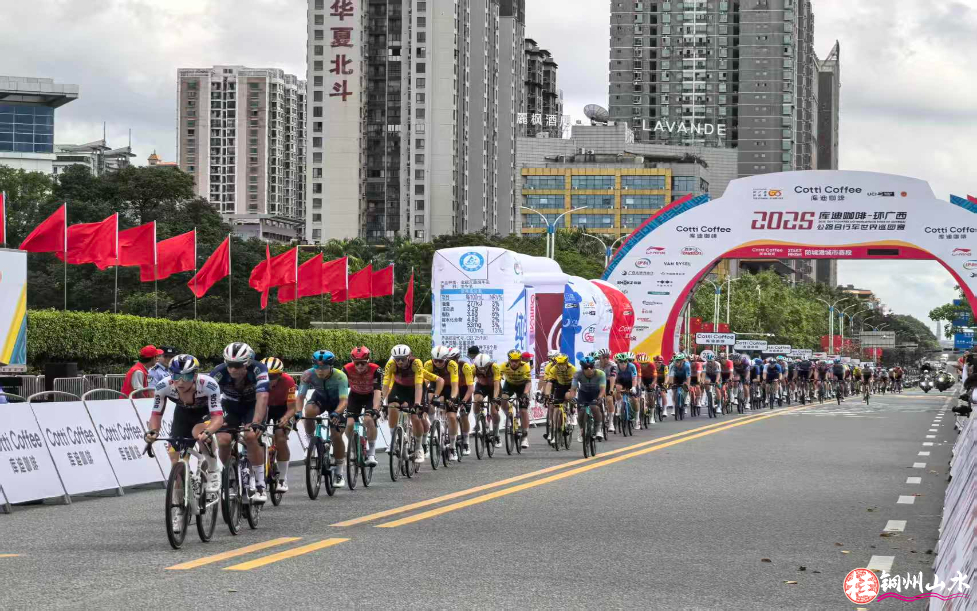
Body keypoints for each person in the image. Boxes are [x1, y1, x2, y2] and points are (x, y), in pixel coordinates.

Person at [144, 355, 224, 532]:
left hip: (205, 415)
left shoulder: (209, 385)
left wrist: (209, 432)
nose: (180, 381)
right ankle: (179, 509)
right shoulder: (163, 386)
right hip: (183, 416)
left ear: (194, 376)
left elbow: (218, 418)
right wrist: (153, 432)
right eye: (176, 376)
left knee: (199, 433)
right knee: (175, 459)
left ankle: (213, 469)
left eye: (186, 376)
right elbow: (156, 415)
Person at [211, 342, 271, 502]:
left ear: (247, 363)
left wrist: (256, 422)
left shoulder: (259, 369)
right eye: (229, 365)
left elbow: (263, 397)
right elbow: (208, 398)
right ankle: (228, 476)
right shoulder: (218, 372)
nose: (232, 369)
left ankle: (260, 484)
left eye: (237, 366)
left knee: (250, 436)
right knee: (223, 440)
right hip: (230, 406)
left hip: (253, 406)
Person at [298, 350, 350, 487]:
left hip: (337, 403)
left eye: (324, 367)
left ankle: (339, 471)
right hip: (319, 399)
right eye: (317, 367)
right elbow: (301, 397)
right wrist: (298, 411)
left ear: (331, 366)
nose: (320, 371)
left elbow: (344, 401)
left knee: (336, 436)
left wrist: (337, 413)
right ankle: (311, 442)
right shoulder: (308, 374)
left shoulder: (340, 376)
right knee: (308, 411)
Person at [383, 344, 442, 463]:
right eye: (397, 359)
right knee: (392, 406)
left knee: (415, 417)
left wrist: (417, 404)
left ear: (409, 356)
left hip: (415, 389)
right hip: (399, 388)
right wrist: (381, 401)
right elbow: (385, 384)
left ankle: (419, 448)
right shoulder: (391, 364)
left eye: (402, 359)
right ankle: (393, 440)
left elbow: (419, 386)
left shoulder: (416, 363)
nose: (400, 362)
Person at [259, 357, 297, 492]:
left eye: (273, 376)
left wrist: (286, 418)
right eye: (266, 376)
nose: (269, 380)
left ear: (280, 375)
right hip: (264, 407)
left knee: (280, 436)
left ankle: (282, 478)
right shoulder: (255, 380)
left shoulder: (288, 381)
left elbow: (292, 408)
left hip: (282, 409)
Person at [342, 347, 382, 467]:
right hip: (355, 396)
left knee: (368, 420)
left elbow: (377, 391)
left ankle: (371, 453)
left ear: (368, 361)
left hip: (371, 396)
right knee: (349, 423)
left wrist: (375, 409)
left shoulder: (376, 369)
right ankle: (353, 446)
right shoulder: (346, 369)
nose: (359, 366)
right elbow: (341, 390)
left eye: (363, 363)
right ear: (352, 362)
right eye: (356, 363)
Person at [424, 346, 461, 461]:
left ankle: (453, 447)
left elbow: (455, 385)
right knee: (429, 400)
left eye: (440, 361)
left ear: (446, 359)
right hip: (436, 386)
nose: (437, 363)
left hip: (450, 388)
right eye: (435, 361)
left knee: (452, 417)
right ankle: (433, 423)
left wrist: (453, 398)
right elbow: (425, 382)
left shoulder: (452, 365)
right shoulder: (428, 364)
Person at [500, 349, 534, 449]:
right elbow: (497, 380)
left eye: (516, 361)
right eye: (512, 361)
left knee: (523, 410)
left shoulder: (525, 366)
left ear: (520, 360)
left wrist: (525, 393)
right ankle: (509, 416)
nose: (514, 363)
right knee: (503, 399)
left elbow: (528, 382)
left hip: (522, 386)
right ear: (509, 360)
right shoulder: (503, 366)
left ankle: (525, 436)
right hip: (510, 385)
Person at [570, 356, 606, 438]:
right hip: (583, 393)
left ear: (594, 367)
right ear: (582, 368)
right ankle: (582, 430)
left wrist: (599, 398)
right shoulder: (577, 374)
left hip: (596, 393)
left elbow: (603, 389)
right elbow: (573, 388)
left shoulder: (600, 373)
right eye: (586, 368)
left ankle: (598, 429)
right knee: (581, 412)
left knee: (595, 408)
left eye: (591, 367)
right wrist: (573, 398)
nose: (589, 369)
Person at [471, 353, 502, 447]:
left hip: (494, 387)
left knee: (494, 412)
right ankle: (478, 421)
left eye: (484, 368)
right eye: (480, 368)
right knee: (476, 400)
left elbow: (496, 384)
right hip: (481, 386)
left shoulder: (494, 367)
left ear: (489, 364)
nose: (482, 370)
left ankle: (496, 434)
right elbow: (469, 383)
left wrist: (495, 399)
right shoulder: (473, 368)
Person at [543, 353, 576, 440]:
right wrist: (547, 395)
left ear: (566, 363)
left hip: (570, 386)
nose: (561, 366)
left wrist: (572, 392)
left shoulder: (572, 369)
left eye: (563, 364)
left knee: (568, 397)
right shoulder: (553, 369)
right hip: (560, 386)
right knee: (556, 407)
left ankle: (572, 412)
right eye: (559, 364)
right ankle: (555, 429)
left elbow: (575, 384)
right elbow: (549, 383)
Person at [450, 347, 475, 455]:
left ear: (457, 358)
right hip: (452, 389)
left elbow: (470, 388)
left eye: (452, 359)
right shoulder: (446, 366)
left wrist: (464, 400)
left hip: (465, 389)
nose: (450, 362)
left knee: (464, 415)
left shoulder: (465, 366)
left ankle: (466, 441)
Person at [613, 353, 637, 430]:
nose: (623, 364)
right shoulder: (615, 367)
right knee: (617, 389)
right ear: (618, 362)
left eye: (625, 362)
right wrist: (613, 387)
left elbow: (634, 378)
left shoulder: (632, 366)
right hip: (620, 382)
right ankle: (619, 407)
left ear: (627, 362)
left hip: (630, 382)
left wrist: (633, 387)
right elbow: (613, 379)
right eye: (621, 362)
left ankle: (637, 419)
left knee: (634, 400)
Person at [596, 349, 618, 426]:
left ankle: (611, 422)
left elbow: (613, 377)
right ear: (600, 357)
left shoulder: (613, 365)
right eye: (604, 357)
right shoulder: (595, 364)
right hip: (599, 382)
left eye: (608, 357)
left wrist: (611, 389)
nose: (606, 359)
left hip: (609, 381)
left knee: (609, 400)